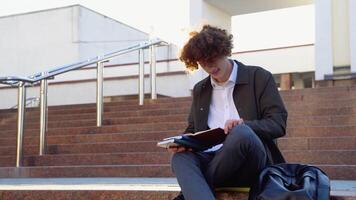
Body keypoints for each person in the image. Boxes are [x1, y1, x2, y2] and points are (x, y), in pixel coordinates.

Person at [168, 25, 288, 200]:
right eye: (202, 61)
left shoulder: (259, 77)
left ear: (224, 50)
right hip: (214, 161)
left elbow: (278, 123)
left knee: (240, 133)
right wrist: (183, 142)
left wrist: (245, 124)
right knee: (180, 158)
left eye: (212, 57)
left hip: (250, 160)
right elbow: (193, 129)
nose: (209, 65)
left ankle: (192, 190)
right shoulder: (200, 89)